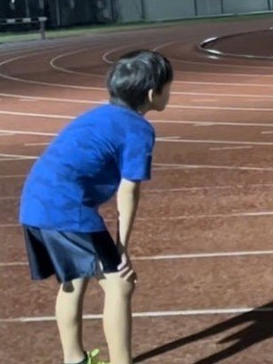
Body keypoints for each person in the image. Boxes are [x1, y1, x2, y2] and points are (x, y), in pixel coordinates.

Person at [19, 50, 173, 364]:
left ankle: (74, 359)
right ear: (151, 93)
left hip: (34, 202)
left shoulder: (97, 114)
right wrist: (122, 246)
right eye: (168, 86)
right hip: (66, 209)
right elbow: (128, 190)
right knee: (120, 284)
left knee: (73, 280)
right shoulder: (138, 129)